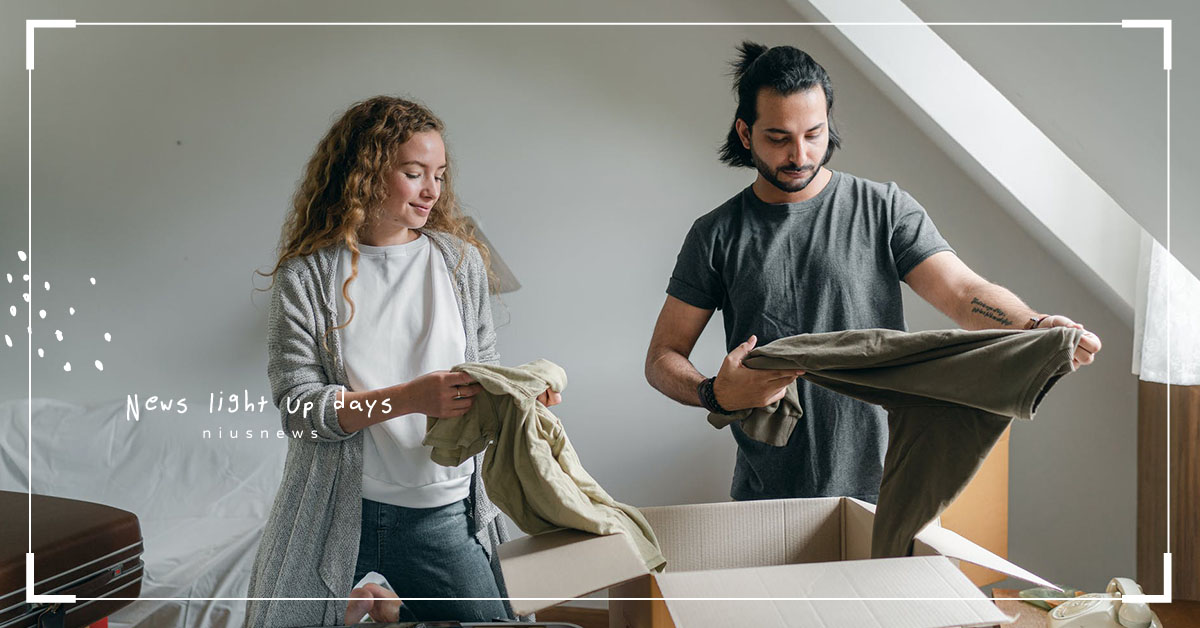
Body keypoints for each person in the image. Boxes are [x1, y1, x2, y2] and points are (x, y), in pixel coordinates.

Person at [644, 42, 1102, 504]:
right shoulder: (715, 234)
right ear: (745, 133)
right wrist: (715, 394)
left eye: (814, 134)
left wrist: (1036, 327)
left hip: (886, 491)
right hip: (767, 499)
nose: (800, 154)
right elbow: (662, 357)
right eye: (778, 138)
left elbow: (962, 292)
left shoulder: (884, 209)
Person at [243, 96, 559, 628]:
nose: (432, 191)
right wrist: (408, 399)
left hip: (444, 512)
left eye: (438, 174)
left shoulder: (460, 263)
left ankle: (383, 611)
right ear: (364, 174)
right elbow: (298, 411)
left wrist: (518, 398)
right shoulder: (306, 278)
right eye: (414, 173)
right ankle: (379, 608)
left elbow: (483, 372)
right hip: (335, 514)